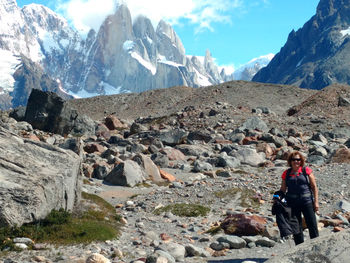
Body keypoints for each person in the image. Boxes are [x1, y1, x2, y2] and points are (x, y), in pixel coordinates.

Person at [280, 151, 319, 245]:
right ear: (290, 161)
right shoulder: (286, 173)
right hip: (292, 203)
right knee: (296, 227)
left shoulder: (306, 171)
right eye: (294, 159)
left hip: (307, 202)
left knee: (312, 225)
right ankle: (299, 248)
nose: (296, 161)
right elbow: (282, 190)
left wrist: (316, 202)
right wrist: (277, 200)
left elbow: (314, 187)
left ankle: (316, 247)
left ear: (301, 161)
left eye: (298, 159)